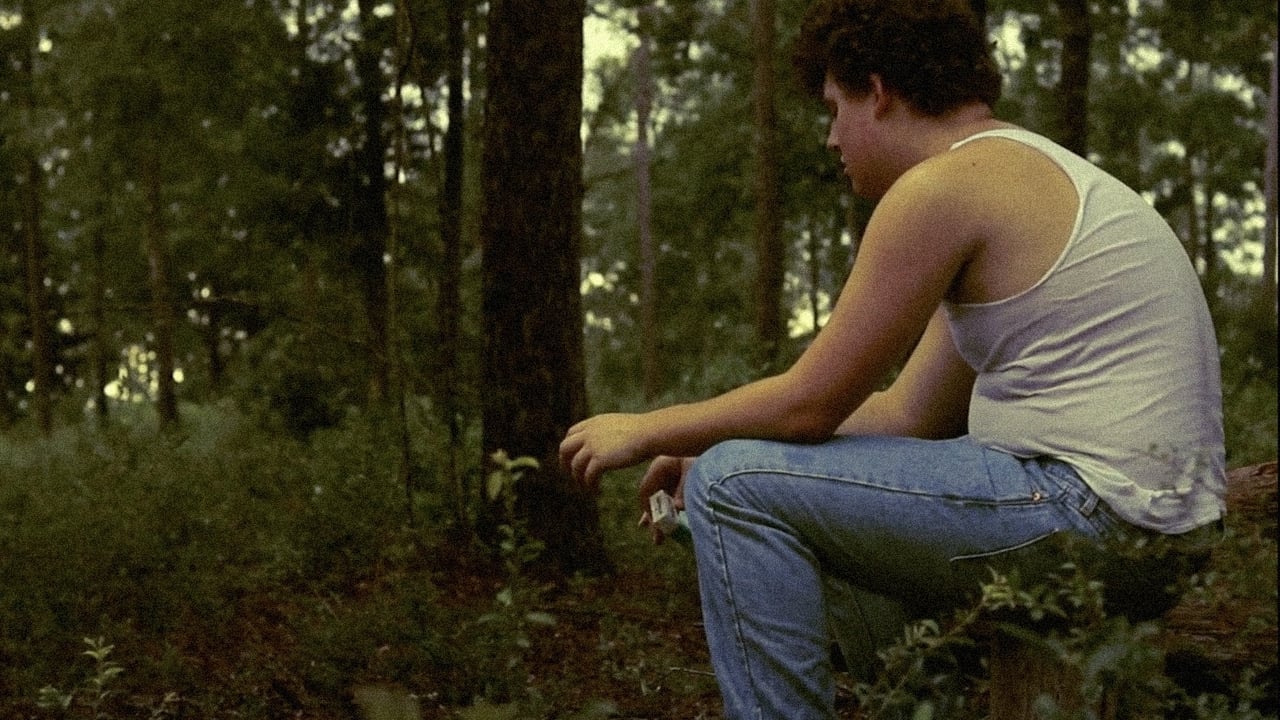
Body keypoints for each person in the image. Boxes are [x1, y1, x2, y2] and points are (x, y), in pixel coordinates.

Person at [558, 0, 1227, 717]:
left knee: (733, 484)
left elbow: (811, 403)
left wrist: (651, 429)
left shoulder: (942, 188)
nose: (830, 138)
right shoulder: (1016, 175)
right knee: (758, 476)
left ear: (876, 92)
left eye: (834, 108)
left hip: (1097, 519)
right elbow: (906, 414)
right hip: (1157, 538)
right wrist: (712, 438)